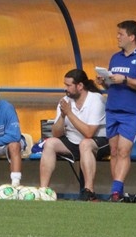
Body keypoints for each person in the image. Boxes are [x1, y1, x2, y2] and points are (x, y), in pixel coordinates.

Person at [96, 20, 136, 202]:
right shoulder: (115, 57)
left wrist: (125, 79)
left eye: (120, 34)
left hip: (132, 112)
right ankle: (117, 192)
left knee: (123, 150)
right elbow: (114, 81)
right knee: (113, 151)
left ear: (132, 37)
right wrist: (104, 81)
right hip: (113, 109)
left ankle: (115, 190)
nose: (117, 37)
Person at [38, 69, 109, 201]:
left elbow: (89, 133)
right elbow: (56, 133)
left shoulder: (96, 100)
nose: (66, 89)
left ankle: (89, 191)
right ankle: (43, 190)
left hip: (97, 141)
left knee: (85, 144)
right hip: (73, 141)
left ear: (80, 86)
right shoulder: (65, 100)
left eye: (68, 85)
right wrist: (62, 116)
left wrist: (69, 113)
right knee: (50, 143)